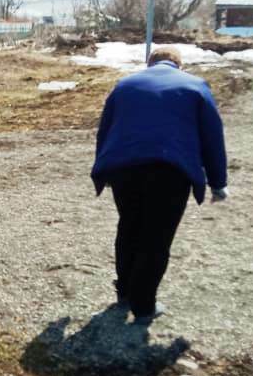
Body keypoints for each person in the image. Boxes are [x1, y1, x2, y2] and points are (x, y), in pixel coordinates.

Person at [90, 47, 229, 326]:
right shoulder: (195, 86)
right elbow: (212, 136)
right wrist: (218, 182)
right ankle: (144, 305)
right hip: (171, 171)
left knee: (129, 227)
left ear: (149, 63)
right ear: (179, 65)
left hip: (124, 168)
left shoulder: (125, 85)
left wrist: (103, 169)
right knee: (157, 236)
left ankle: (125, 291)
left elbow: (105, 129)